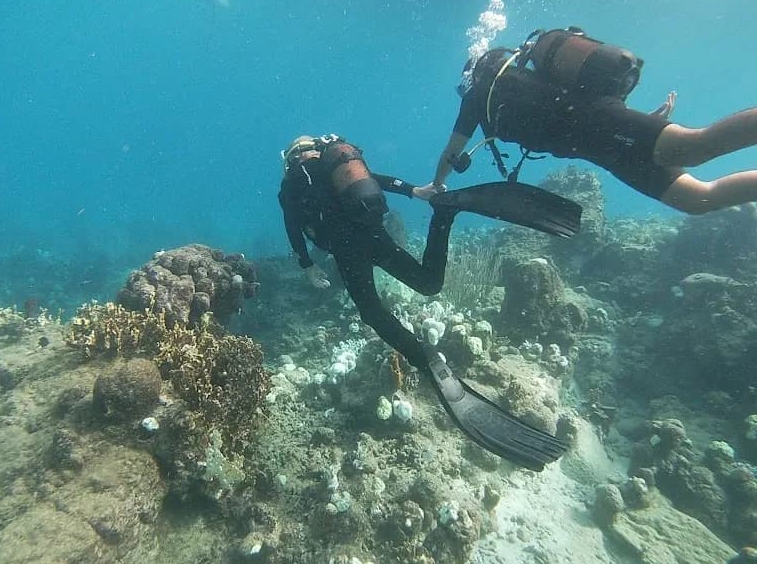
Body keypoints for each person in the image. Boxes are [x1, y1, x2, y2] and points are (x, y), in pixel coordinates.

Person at [279, 133, 577, 470]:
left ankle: (425, 358)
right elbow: (378, 181)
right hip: (373, 234)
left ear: (291, 157)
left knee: (373, 312)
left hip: (347, 252)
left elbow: (292, 226)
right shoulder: (338, 168)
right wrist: (415, 191)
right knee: (428, 283)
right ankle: (444, 216)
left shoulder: (291, 183)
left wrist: (307, 265)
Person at [433, 27, 757, 214]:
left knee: (694, 148)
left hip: (604, 128)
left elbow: (451, 152)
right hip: (604, 149)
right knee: (696, 199)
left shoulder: (479, 96)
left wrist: (434, 185)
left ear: (472, 75)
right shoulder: (504, 88)